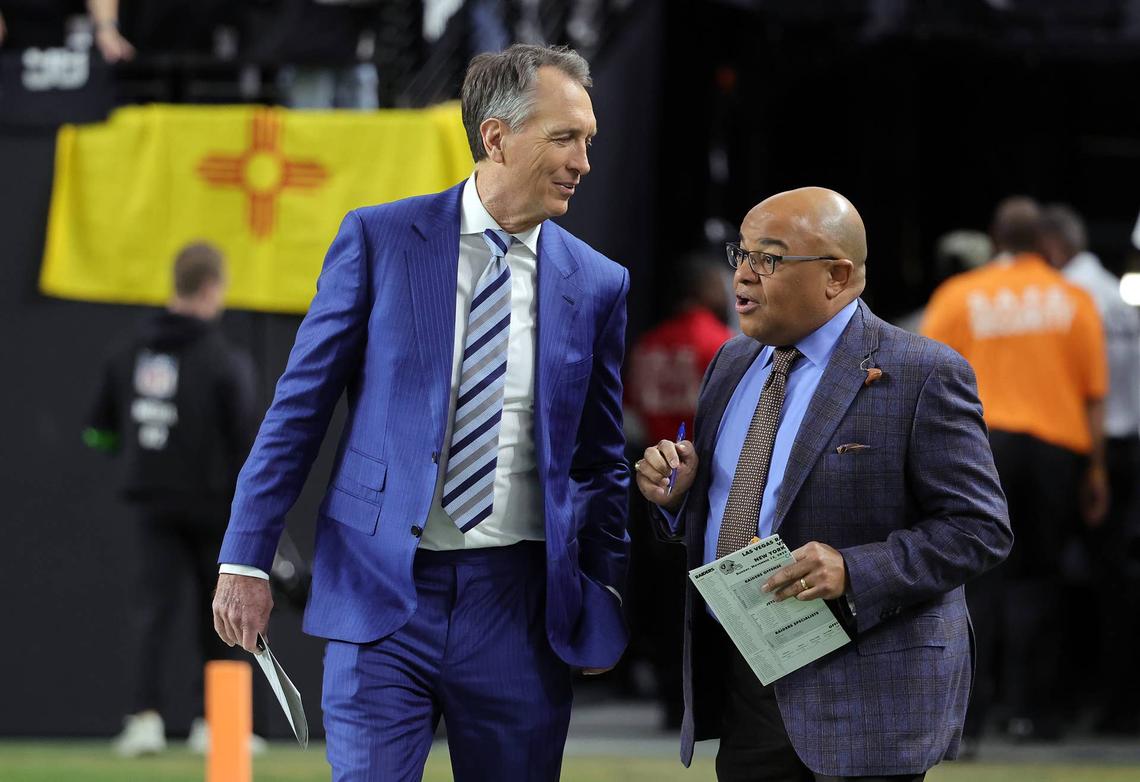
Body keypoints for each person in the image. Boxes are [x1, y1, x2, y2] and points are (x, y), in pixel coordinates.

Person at [212, 43, 630, 781]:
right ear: (496, 136)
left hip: (521, 609)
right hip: (381, 597)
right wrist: (245, 557)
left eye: (588, 141)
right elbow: (296, 413)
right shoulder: (378, 240)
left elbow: (600, 461)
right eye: (565, 138)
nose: (583, 162)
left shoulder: (598, 283)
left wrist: (602, 592)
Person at [636, 187, 1012, 781]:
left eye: (769, 258)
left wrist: (853, 570)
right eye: (741, 254)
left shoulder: (924, 372)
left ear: (837, 275)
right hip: (747, 680)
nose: (743, 274)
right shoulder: (731, 362)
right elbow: (731, 501)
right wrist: (677, 497)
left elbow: (980, 530)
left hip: (867, 688)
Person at [923, 196, 1108, 741]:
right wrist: (1096, 472)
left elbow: (926, 380)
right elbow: (1094, 394)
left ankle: (969, 717)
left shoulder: (959, 295)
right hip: (1055, 451)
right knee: (1042, 582)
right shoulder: (1073, 299)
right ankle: (1034, 714)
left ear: (995, 239)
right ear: (1044, 243)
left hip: (980, 447)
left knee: (974, 580)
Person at [85, 242, 258, 756]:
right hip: (213, 508)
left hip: (151, 503)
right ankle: (219, 726)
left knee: (152, 612)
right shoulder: (225, 359)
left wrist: (138, 446)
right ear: (211, 288)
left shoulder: (126, 352)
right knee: (224, 612)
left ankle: (145, 721)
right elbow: (248, 441)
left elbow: (97, 434)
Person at [1039, 203, 1140, 733]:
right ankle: (1118, 702)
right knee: (1117, 583)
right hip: (1130, 447)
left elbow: (1083, 389)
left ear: (1051, 248)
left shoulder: (1069, 301)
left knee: (1057, 579)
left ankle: (1064, 701)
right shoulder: (1117, 298)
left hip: (1086, 452)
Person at [623, 254, 734, 727]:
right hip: (703, 488)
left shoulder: (648, 345)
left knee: (663, 597)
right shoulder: (724, 345)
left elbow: (629, 415)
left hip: (651, 485)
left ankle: (672, 699)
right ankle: (704, 699)